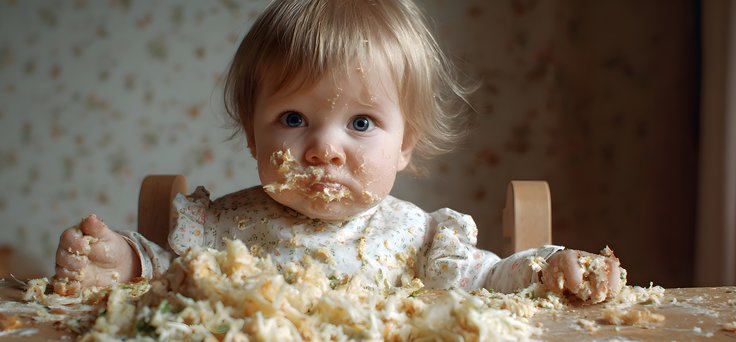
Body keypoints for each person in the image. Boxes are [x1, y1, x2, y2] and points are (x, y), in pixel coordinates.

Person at [54, 0, 622, 301]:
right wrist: (123, 260)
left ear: (405, 144)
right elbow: (163, 272)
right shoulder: (222, 228)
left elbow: (493, 280)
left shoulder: (421, 241)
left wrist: (548, 269)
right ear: (253, 135)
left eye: (361, 122)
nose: (324, 148)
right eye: (294, 119)